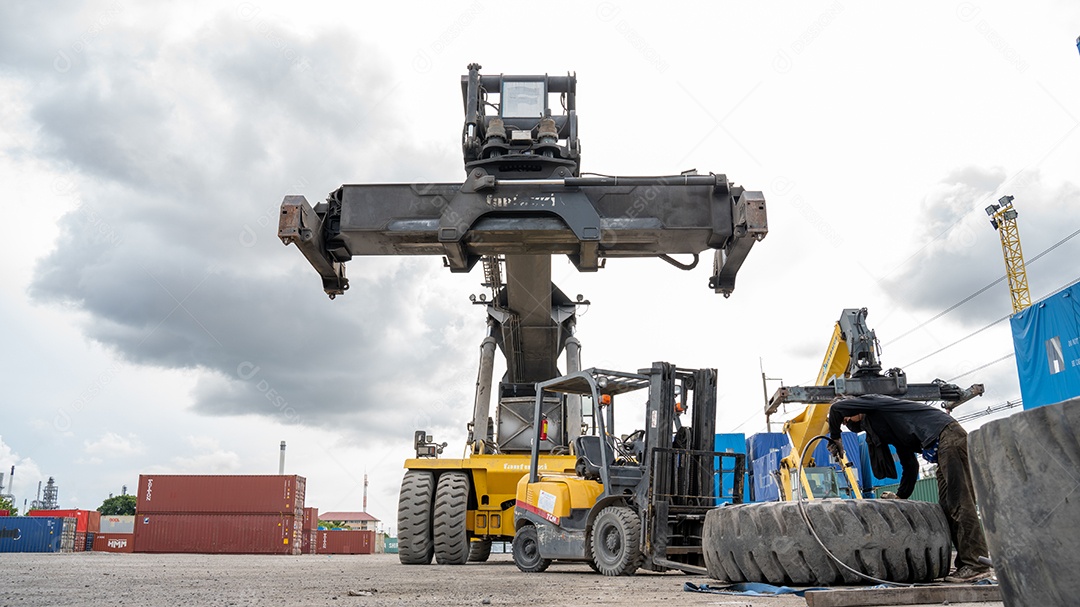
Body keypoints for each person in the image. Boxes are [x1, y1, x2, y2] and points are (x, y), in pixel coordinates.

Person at [827, 394, 992, 583]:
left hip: (949, 439)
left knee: (959, 503)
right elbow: (911, 466)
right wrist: (900, 496)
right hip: (942, 449)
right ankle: (967, 564)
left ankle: (977, 565)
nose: (846, 421)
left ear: (853, 407)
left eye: (846, 418)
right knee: (947, 507)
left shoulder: (874, 403)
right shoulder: (888, 426)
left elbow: (836, 409)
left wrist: (835, 437)